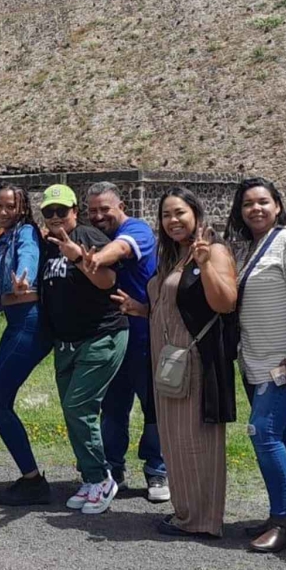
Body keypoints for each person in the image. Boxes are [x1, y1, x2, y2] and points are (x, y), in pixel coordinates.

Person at [117, 187, 239, 536]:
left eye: (180, 213)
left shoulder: (212, 251)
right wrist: (141, 309)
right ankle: (186, 513)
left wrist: (204, 265)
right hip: (168, 360)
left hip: (195, 360)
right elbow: (172, 304)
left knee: (197, 440)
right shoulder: (172, 256)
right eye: (167, 215)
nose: (173, 220)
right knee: (175, 441)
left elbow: (226, 303)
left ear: (197, 215)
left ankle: (203, 519)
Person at [227, 177, 286, 553]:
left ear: (278, 206)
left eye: (263, 202)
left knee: (262, 432)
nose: (256, 209)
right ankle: (285, 515)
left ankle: (283, 522)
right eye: (248, 203)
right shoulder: (251, 249)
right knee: (278, 435)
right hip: (256, 360)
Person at [35, 184, 127, 514]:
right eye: (49, 212)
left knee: (79, 406)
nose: (56, 217)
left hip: (100, 335)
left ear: (75, 211)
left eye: (63, 210)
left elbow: (108, 281)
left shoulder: (88, 237)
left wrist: (77, 256)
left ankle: (103, 477)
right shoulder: (47, 245)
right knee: (73, 411)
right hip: (67, 342)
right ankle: (89, 478)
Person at [84, 183, 167, 502]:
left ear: (122, 206)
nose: (99, 215)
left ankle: (157, 469)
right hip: (112, 338)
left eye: (105, 208)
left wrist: (95, 259)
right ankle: (113, 468)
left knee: (154, 409)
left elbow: (121, 250)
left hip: (146, 336)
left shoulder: (137, 229)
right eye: (92, 210)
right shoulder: (92, 235)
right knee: (113, 409)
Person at [0, 185, 54, 506]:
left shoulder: (25, 233)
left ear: (23, 208)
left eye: (9, 206)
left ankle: (33, 481)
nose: (2, 212)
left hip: (29, 322)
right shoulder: (2, 240)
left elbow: (28, 256)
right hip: (16, 323)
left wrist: (24, 276)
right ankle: (30, 477)